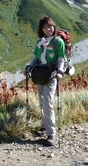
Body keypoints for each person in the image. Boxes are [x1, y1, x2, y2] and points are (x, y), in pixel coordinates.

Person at [24, 15, 67, 146]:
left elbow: (61, 58)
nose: (48, 29)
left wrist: (60, 71)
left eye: (50, 26)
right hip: (39, 75)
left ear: (54, 26)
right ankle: (43, 127)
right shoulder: (40, 42)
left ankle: (51, 134)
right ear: (41, 29)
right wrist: (29, 67)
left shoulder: (57, 42)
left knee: (48, 102)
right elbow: (35, 58)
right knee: (42, 101)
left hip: (52, 75)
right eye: (45, 27)